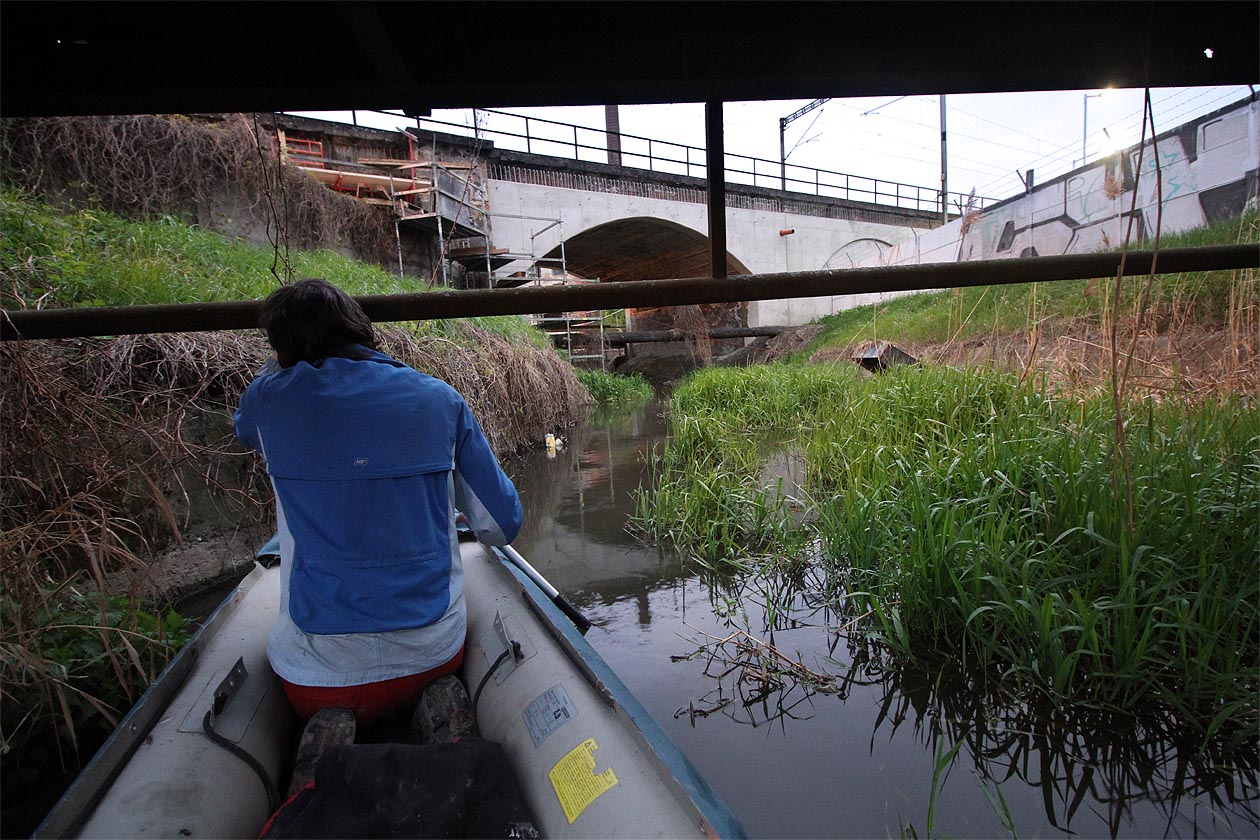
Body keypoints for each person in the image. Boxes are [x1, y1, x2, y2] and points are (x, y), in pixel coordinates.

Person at [234, 278, 522, 724]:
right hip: (431, 659)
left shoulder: (267, 401)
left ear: (281, 349)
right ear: (362, 330)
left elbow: (245, 431)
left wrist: (278, 370)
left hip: (313, 680)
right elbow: (501, 526)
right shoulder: (440, 399)